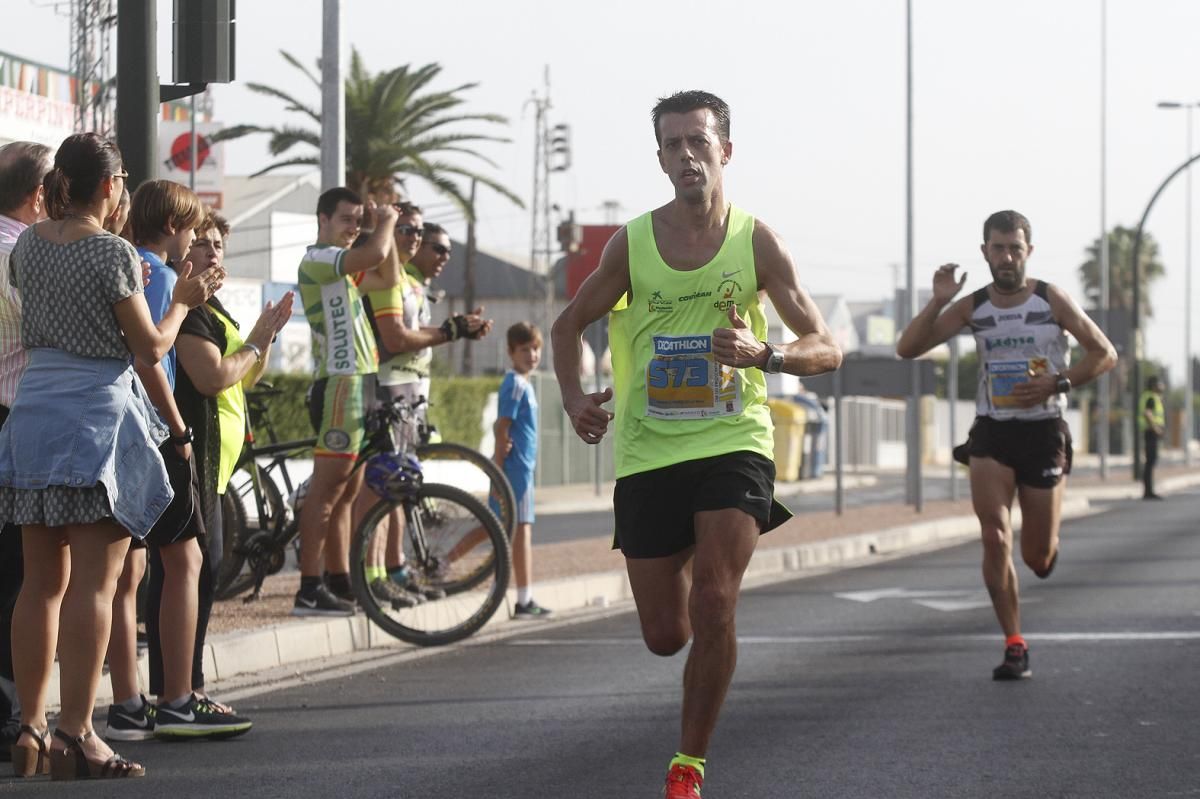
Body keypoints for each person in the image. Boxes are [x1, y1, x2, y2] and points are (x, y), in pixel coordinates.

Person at [550, 90, 841, 798]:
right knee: (664, 633)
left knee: (716, 601)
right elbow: (566, 326)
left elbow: (827, 346)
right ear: (660, 158)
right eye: (673, 144)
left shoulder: (756, 242)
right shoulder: (633, 243)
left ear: (725, 151)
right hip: (650, 451)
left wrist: (764, 355)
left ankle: (689, 767)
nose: (687, 154)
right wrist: (575, 400)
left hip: (733, 442)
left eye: (699, 141)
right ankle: (684, 554)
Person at [0, 132, 218, 780]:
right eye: (121, 180)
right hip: (94, 420)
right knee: (94, 585)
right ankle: (78, 732)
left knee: (40, 584)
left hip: (33, 417)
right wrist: (182, 300)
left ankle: (32, 728)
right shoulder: (114, 253)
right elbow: (149, 349)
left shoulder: (28, 248)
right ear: (107, 185)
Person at [896, 209, 1118, 681]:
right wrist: (937, 301)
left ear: (1028, 252)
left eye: (1015, 248)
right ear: (985, 253)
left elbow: (1105, 353)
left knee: (1036, 558)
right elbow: (908, 348)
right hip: (993, 431)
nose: (1007, 257)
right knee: (995, 534)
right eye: (998, 248)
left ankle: (1047, 542)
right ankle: (1014, 642)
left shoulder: (1050, 299)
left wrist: (1057, 382)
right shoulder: (974, 305)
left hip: (1042, 432)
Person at [126, 180, 250, 740]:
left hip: (120, 432)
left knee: (125, 574)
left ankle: (129, 702)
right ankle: (176, 696)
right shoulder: (161, 277)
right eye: (194, 231)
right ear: (176, 228)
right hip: (153, 433)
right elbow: (151, 353)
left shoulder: (132, 266)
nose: (199, 242)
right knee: (185, 563)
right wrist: (176, 428)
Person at [174, 211, 291, 712]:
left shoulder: (212, 306)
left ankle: (191, 687)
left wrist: (261, 340)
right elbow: (213, 376)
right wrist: (255, 342)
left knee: (209, 574)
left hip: (217, 468)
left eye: (219, 243)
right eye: (201, 242)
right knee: (189, 577)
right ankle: (180, 690)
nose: (212, 250)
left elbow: (243, 378)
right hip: (191, 459)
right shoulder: (191, 309)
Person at [363, 208, 491, 602]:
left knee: (400, 487)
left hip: (410, 395)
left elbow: (418, 337)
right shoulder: (391, 276)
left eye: (424, 235)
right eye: (414, 234)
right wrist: (451, 331)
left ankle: (394, 569)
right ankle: (369, 575)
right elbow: (397, 340)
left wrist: (455, 329)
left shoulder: (412, 283)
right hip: (385, 390)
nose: (436, 252)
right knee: (380, 490)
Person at [294, 188, 400, 616]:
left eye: (358, 221)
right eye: (346, 219)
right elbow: (373, 256)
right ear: (322, 219)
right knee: (327, 490)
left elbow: (389, 277)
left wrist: (379, 228)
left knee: (347, 491)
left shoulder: (343, 267)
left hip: (360, 383)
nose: (354, 227)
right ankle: (308, 586)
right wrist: (386, 222)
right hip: (340, 383)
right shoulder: (318, 259)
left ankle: (338, 580)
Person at [0, 141, 51, 760]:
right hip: (15, 418)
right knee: (19, 573)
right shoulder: (20, 257)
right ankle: (15, 714)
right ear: (39, 196)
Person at [493, 322, 550, 618]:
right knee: (520, 532)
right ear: (511, 352)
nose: (532, 355)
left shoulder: (524, 384)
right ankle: (524, 599)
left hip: (520, 470)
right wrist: (497, 472)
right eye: (525, 349)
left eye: (536, 349)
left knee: (494, 529)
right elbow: (501, 426)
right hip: (515, 471)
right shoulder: (515, 384)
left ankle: (444, 563)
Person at [1140, 375, 1165, 500]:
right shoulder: (1151, 397)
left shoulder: (1152, 397)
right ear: (1154, 385)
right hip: (1151, 432)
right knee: (1150, 461)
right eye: (1160, 384)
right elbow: (1147, 413)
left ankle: (1149, 490)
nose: (1162, 386)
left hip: (1150, 432)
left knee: (1150, 461)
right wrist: (1156, 428)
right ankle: (1148, 491)